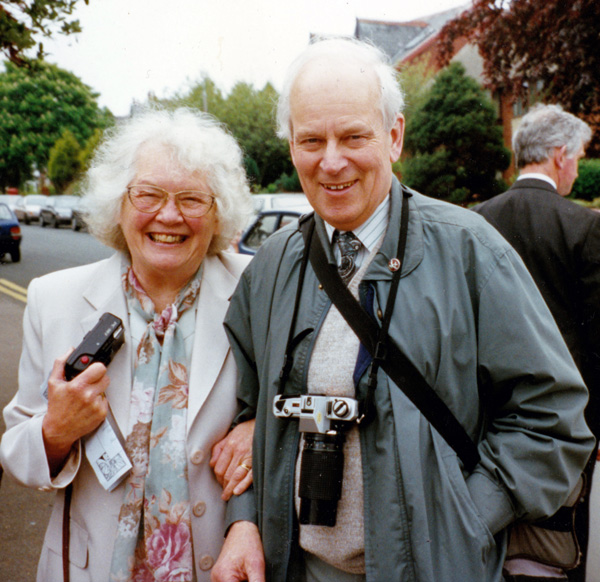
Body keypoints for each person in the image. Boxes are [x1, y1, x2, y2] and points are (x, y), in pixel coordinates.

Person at [211, 38, 595, 582]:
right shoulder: (271, 267)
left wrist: (462, 518)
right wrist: (243, 523)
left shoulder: (470, 251)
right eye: (311, 140)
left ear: (394, 137)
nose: (332, 161)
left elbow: (552, 419)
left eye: (353, 136)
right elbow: (245, 416)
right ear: (291, 146)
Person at [0, 107, 256, 582]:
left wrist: (263, 428)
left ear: (219, 211)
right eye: (148, 195)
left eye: (192, 199)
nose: (169, 215)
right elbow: (16, 453)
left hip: (217, 567)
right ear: (118, 203)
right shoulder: (52, 299)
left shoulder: (259, 289)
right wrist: (55, 431)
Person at [473, 104, 600, 581]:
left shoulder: (478, 221)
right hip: (565, 422)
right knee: (561, 547)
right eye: (580, 157)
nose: (577, 169)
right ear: (560, 155)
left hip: (489, 416)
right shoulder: (583, 226)